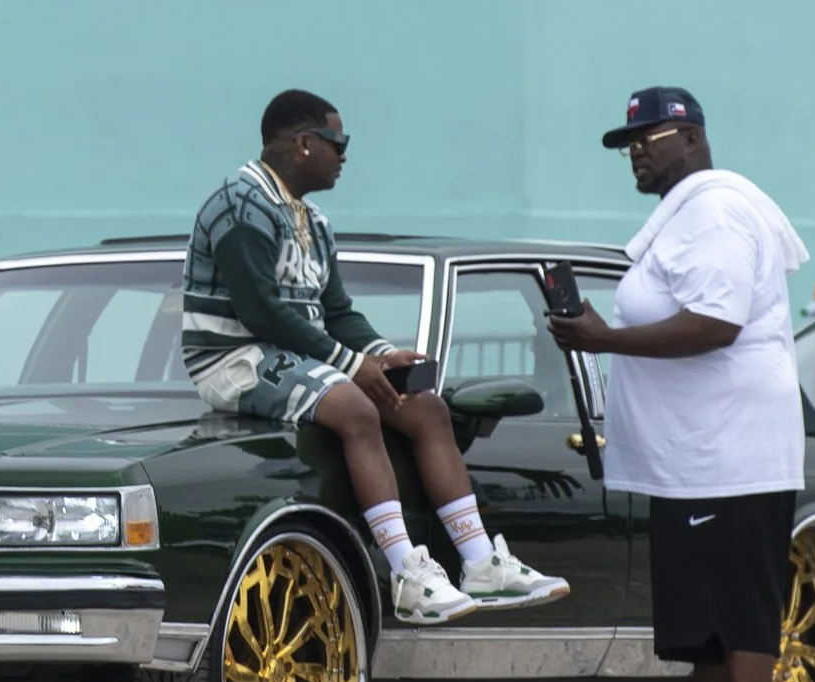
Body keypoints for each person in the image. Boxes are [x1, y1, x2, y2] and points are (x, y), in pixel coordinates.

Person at [184, 90, 568, 624]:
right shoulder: (240, 206)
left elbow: (337, 312)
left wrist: (382, 356)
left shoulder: (313, 220)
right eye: (339, 143)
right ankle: (408, 574)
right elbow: (262, 314)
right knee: (356, 407)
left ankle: (482, 562)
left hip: (298, 355)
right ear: (303, 143)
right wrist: (352, 366)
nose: (344, 156)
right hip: (236, 359)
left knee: (425, 406)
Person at [549, 88, 809, 682]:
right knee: (701, 625)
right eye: (627, 143)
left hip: (733, 452)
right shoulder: (685, 215)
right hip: (693, 458)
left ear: (692, 137)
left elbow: (716, 323)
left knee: (740, 615)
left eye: (650, 136)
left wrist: (605, 340)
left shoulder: (717, 211)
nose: (636, 150)